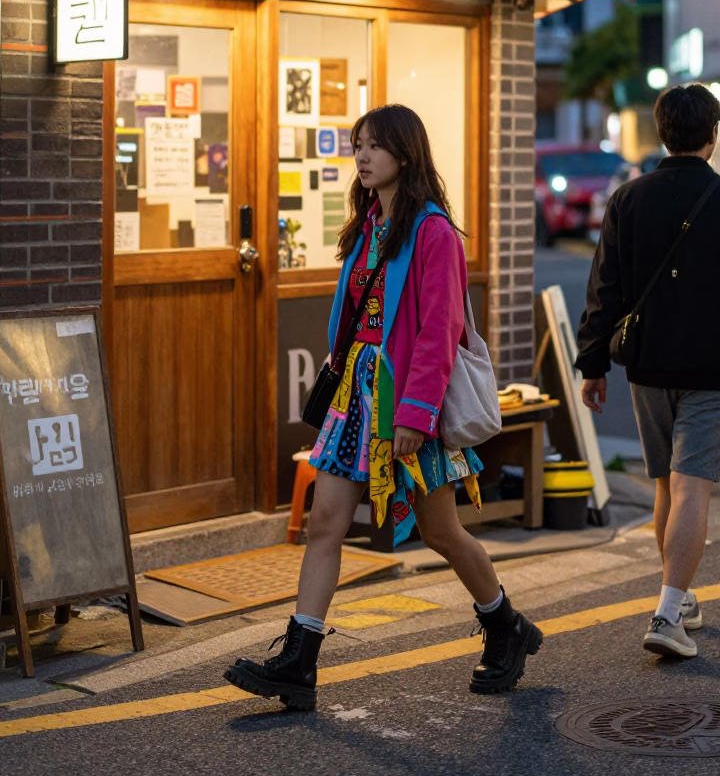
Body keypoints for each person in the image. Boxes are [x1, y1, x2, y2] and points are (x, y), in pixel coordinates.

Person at [225, 104, 542, 709]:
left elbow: (439, 330)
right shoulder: (368, 225)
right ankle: (299, 661)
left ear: (405, 153)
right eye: (357, 145)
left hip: (404, 402)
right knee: (326, 522)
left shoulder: (434, 232)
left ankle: (506, 627)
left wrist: (414, 415)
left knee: (441, 530)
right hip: (357, 396)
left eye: (373, 146)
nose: (362, 156)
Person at [576, 83, 720, 659]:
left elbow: (604, 288)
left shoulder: (629, 198)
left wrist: (592, 365)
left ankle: (679, 598)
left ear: (662, 133)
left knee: (666, 482)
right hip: (711, 366)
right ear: (711, 135)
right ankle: (666, 614)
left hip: (646, 363)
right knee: (693, 485)